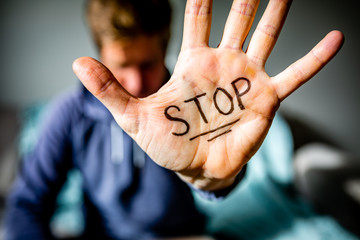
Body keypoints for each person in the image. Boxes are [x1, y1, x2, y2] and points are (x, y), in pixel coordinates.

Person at [5, 0, 345, 239]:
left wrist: (213, 180)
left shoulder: (196, 103)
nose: (137, 82)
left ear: (164, 47)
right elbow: (27, 204)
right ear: (101, 52)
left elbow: (216, 177)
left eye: (148, 64)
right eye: (123, 65)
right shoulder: (70, 115)